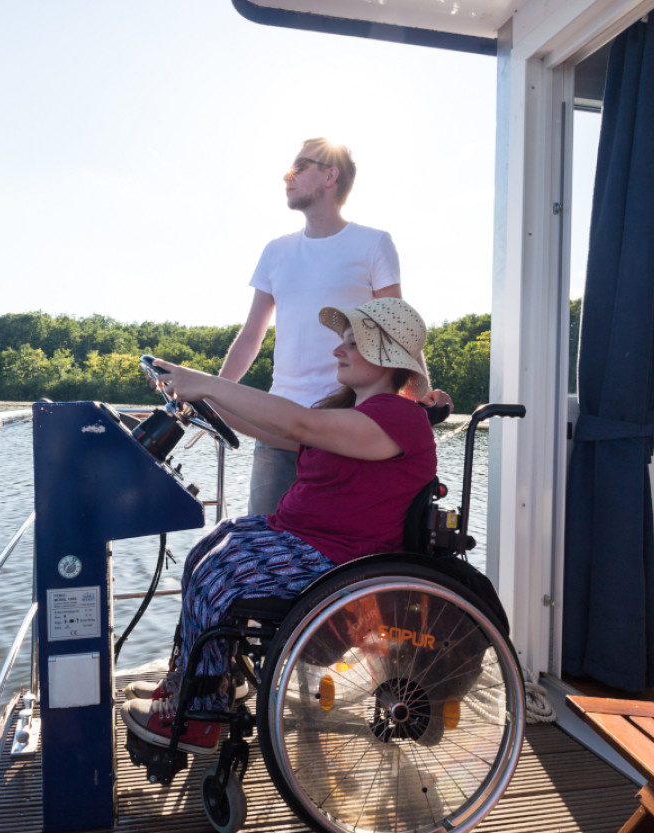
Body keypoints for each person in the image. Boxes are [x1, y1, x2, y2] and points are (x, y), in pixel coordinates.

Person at [121, 297, 438, 754]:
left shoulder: (400, 417)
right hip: (306, 539)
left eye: (353, 343)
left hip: (337, 559)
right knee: (210, 549)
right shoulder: (355, 410)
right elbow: (277, 430)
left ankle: (200, 713)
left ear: (386, 354)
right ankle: (199, 679)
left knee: (221, 575)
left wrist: (205, 382)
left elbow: (296, 425)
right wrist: (200, 399)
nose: (338, 350)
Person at [219, 138, 431, 516]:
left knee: (334, 555)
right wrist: (217, 393)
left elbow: (396, 328)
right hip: (278, 425)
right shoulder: (275, 251)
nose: (288, 176)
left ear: (331, 175)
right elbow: (251, 335)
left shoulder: (373, 244)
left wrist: (420, 401)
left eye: (300, 166)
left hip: (347, 425)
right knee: (262, 541)